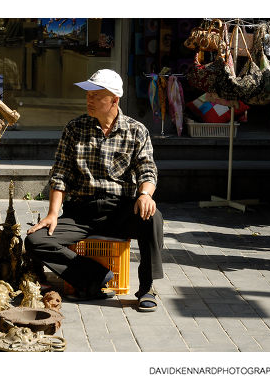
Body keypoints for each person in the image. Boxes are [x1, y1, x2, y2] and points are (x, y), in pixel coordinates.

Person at [25, 69, 164, 312]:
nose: (89, 99)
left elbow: (147, 170)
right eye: (88, 94)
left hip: (120, 209)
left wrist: (145, 195)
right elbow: (60, 174)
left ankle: (147, 288)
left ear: (114, 100)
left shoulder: (136, 130)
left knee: (153, 218)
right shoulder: (74, 128)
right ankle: (95, 277)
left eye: (96, 95)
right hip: (81, 211)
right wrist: (52, 214)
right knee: (35, 240)